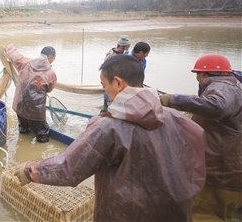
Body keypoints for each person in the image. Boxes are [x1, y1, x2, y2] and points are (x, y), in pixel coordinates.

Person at [15, 54, 206, 221]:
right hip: (175, 211)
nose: (106, 91)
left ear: (118, 83)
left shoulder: (110, 127)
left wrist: (30, 170)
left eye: (104, 85)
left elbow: (69, 167)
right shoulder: (176, 117)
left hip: (127, 214)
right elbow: (196, 156)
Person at [159, 53, 242, 221]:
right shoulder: (236, 87)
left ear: (203, 74)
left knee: (199, 216)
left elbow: (216, 106)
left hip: (218, 175)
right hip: (233, 173)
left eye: (197, 74)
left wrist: (174, 99)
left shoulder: (222, 87)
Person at [6, 43, 57, 143]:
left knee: (23, 130)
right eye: (54, 58)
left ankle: (22, 144)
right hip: (36, 112)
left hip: (20, 107)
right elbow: (50, 89)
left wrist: (11, 46)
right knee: (42, 135)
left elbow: (13, 54)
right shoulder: (50, 73)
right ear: (50, 57)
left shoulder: (25, 62)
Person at [100, 35, 132, 115]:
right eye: (127, 47)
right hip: (111, 83)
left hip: (111, 84)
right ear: (121, 47)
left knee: (106, 108)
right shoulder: (113, 56)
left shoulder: (115, 52)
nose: (128, 49)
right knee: (109, 107)